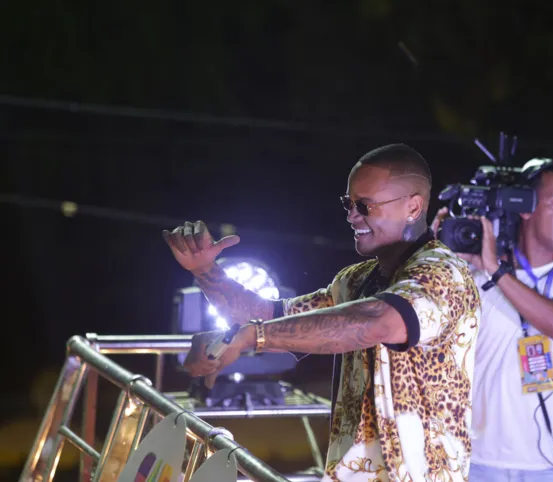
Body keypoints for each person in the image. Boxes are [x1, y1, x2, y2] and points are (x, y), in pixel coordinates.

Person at [163, 144, 481, 482]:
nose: (351, 216)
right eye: (349, 203)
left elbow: (378, 321)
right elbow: (266, 314)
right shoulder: (356, 279)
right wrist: (205, 270)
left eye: (365, 206)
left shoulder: (443, 275)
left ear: (413, 207)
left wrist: (250, 338)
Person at [432, 159, 553, 481]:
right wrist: (433, 257)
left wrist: (497, 271)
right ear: (525, 207)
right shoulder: (473, 272)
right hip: (478, 463)